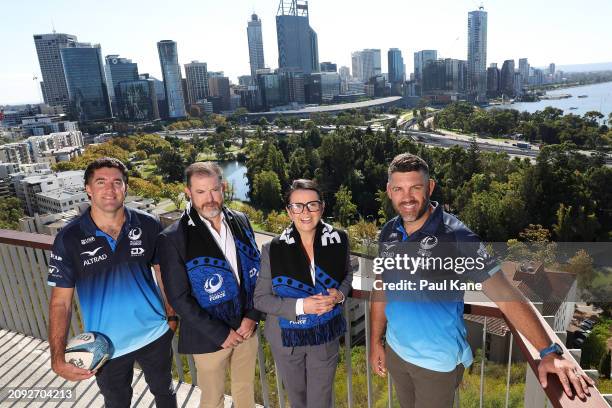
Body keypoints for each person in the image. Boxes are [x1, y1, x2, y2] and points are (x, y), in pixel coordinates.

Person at [369, 153, 595, 408]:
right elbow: (382, 287)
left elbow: (505, 296)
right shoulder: (389, 231)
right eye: (399, 188)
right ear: (389, 191)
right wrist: (376, 341)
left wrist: (548, 351)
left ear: (430, 187)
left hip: (436, 364)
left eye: (416, 187)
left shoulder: (457, 238)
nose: (407, 197)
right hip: (397, 351)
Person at [47, 157, 178, 408]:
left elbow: (163, 272)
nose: (110, 189)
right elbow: (60, 303)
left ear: (125, 187)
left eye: (117, 182)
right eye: (101, 182)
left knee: (165, 394)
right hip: (104, 347)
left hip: (154, 334)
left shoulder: (148, 224)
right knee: (117, 403)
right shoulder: (69, 238)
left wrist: (171, 318)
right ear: (88, 188)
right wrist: (57, 358)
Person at [156, 162, 261, 408]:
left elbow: (257, 273)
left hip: (247, 329)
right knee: (212, 400)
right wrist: (220, 333)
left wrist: (253, 316)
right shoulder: (173, 238)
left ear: (223, 188)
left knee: (245, 392)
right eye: (201, 192)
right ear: (188, 193)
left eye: (214, 190)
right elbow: (179, 298)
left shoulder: (241, 221)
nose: (210, 198)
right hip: (208, 337)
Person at [254, 179, 352, 408]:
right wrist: (301, 307)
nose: (305, 212)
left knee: (320, 401)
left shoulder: (339, 240)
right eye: (297, 206)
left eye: (312, 204)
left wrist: (339, 295)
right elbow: (260, 299)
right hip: (286, 339)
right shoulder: (273, 249)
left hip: (324, 336)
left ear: (322, 207)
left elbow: (347, 276)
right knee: (297, 399)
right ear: (289, 211)